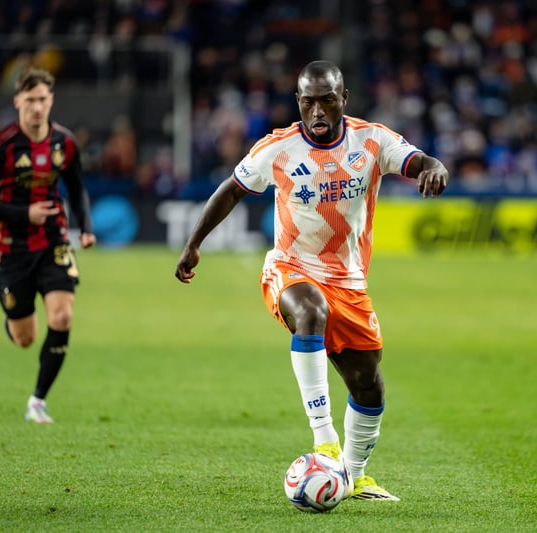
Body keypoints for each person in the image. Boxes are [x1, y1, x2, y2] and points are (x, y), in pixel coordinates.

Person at [175, 60, 449, 501]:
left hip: (349, 281)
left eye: (327, 100)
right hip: (291, 267)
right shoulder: (277, 149)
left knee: (368, 384)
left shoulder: (372, 140)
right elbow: (232, 189)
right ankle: (325, 441)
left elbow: (418, 161)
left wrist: (435, 167)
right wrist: (193, 244)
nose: (317, 111)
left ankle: (353, 476)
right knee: (309, 311)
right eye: (308, 102)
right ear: (298, 102)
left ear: (344, 99)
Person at [0, 67, 96, 423]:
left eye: (42, 100)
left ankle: (37, 401)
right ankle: (13, 320)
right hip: (11, 248)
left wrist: (85, 228)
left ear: (50, 100)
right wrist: (25, 213)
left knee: (62, 316)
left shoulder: (65, 142)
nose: (37, 107)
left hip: (53, 240)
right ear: (17, 102)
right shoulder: (0, 145)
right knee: (24, 337)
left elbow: (77, 187)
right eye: (30, 101)